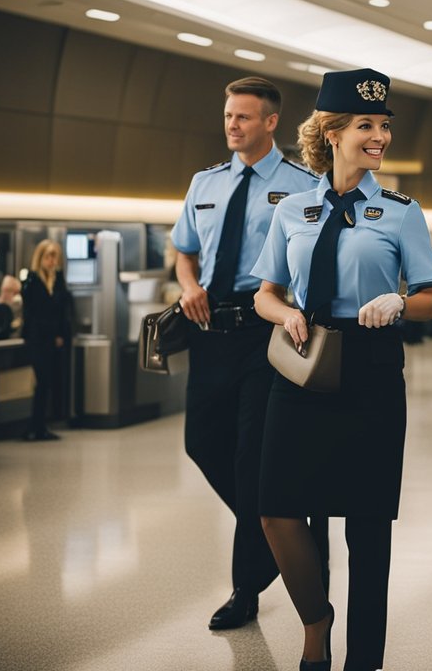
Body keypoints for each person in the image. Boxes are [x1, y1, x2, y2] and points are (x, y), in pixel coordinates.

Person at [252, 68, 432, 671]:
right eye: (366, 125)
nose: (379, 136)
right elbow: (265, 292)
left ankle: (365, 659)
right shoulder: (293, 210)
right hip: (303, 362)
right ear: (332, 133)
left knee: (366, 526)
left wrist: (399, 303)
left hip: (371, 364)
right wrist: (283, 315)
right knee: (278, 508)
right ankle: (316, 621)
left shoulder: (400, 212)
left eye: (384, 126)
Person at [170, 76, 327, 631]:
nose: (232, 124)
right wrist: (188, 285)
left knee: (248, 455)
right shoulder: (204, 183)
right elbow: (183, 250)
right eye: (228, 115)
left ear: (270, 122)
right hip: (208, 327)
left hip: (265, 331)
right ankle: (277, 528)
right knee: (201, 442)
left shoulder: (303, 184)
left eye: (243, 116)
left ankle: (245, 589)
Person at [21, 240, 74, 441]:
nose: (52, 262)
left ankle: (40, 425)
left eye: (55, 257)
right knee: (41, 382)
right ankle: (35, 425)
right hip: (38, 340)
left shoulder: (57, 282)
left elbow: (62, 310)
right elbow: (36, 313)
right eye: (49, 257)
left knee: (47, 384)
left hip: (52, 341)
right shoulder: (33, 282)